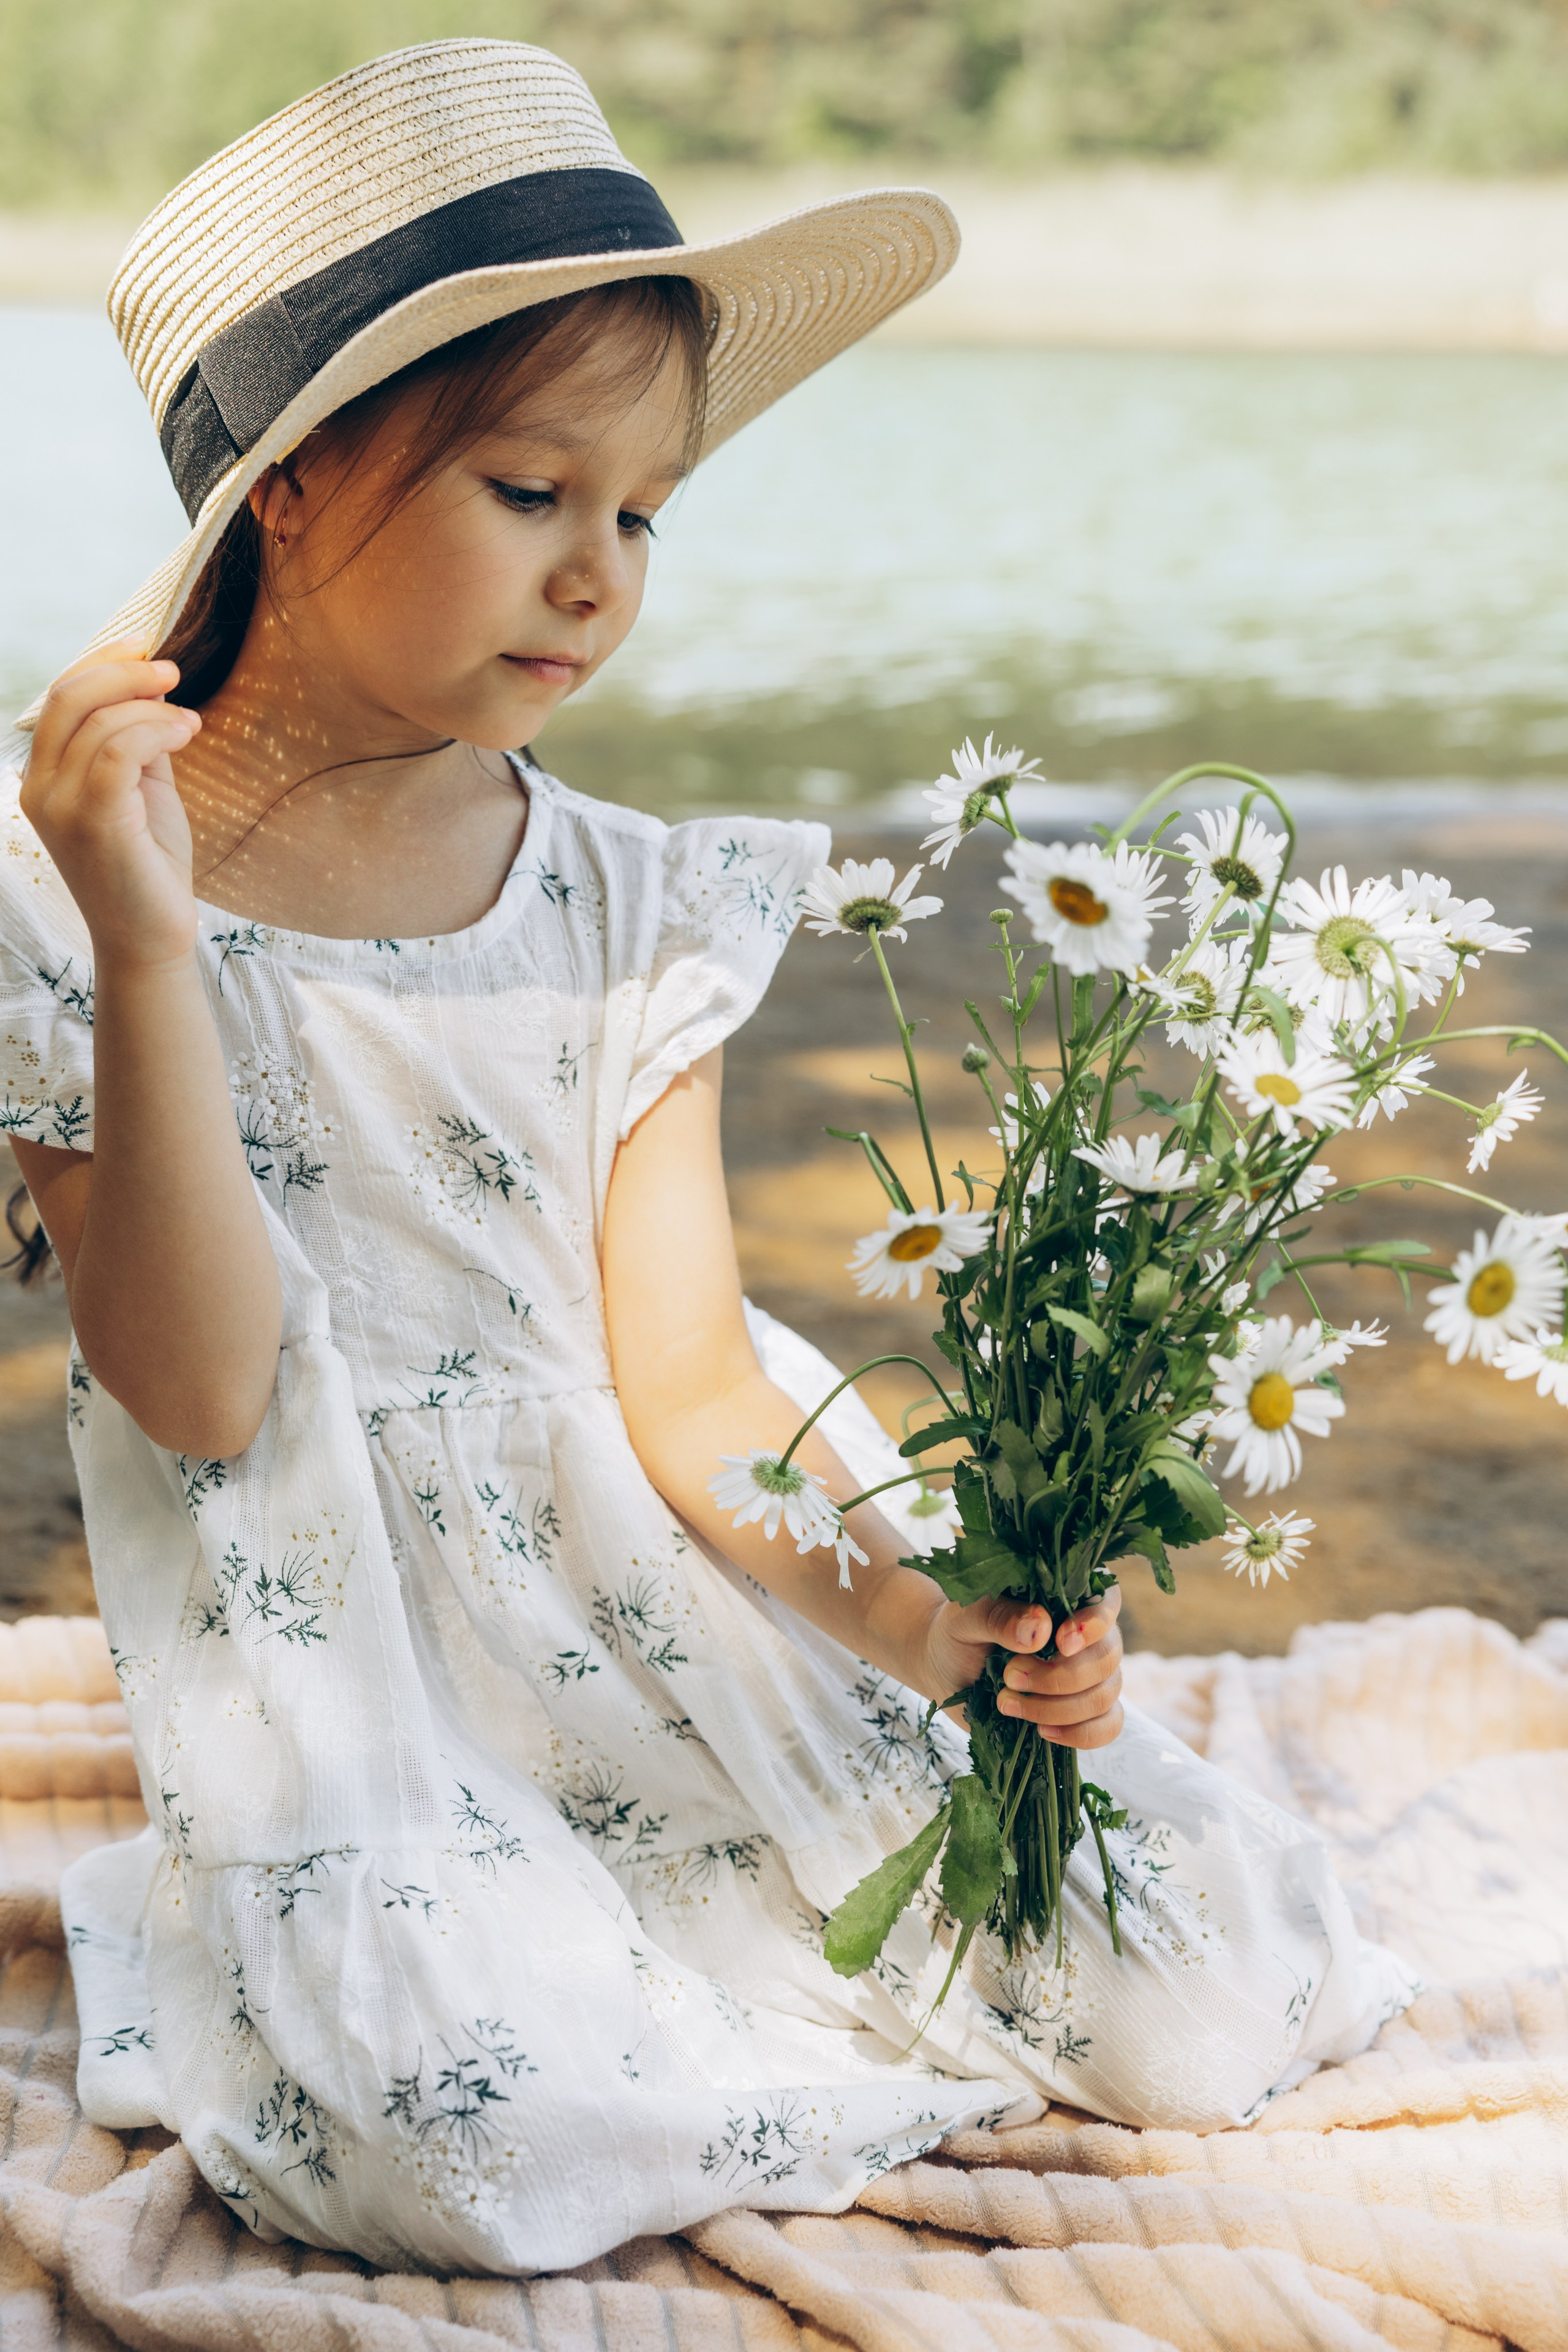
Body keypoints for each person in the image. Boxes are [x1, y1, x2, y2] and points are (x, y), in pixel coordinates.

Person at [0, 40, 1413, 2276]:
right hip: (345, 1664)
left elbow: (697, 1392)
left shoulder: (627, 891)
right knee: (480, 2141)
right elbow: (199, 1395)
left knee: (1181, 1976)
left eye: (639, 515)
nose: (597, 580)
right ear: (291, 482)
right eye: (528, 491)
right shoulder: (69, 885)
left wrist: (930, 1619)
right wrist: (149, 946)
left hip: (660, 1621)